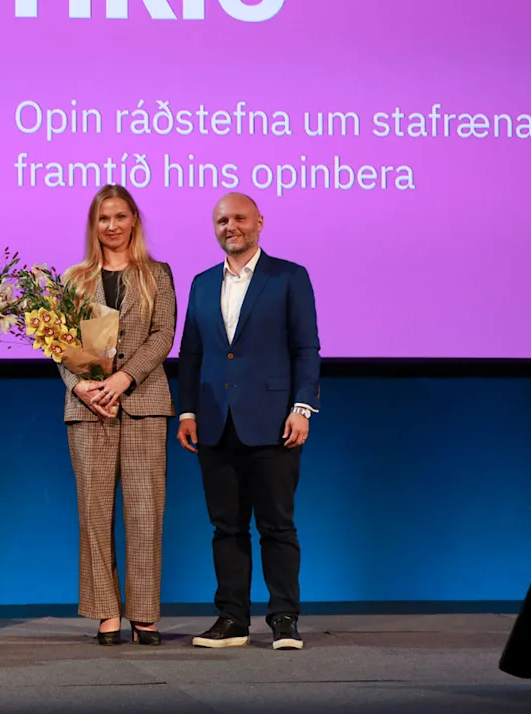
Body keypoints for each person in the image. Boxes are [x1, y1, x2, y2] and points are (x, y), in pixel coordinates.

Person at [177, 192, 320, 651]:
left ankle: (284, 619)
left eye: (239, 218)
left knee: (277, 526)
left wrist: (302, 408)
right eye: (222, 220)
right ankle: (232, 619)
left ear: (259, 222)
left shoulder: (289, 277)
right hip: (215, 423)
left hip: (274, 422)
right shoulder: (201, 283)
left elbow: (306, 348)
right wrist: (187, 411)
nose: (230, 227)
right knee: (226, 528)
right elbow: (192, 354)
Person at [58, 185, 176, 646]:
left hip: (143, 403)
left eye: (120, 216)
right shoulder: (74, 279)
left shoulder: (156, 274)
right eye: (103, 218)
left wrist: (124, 378)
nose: (112, 225)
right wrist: (80, 385)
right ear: (94, 224)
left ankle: (143, 613)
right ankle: (106, 611)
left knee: (146, 512)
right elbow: (58, 344)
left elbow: (163, 334)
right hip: (89, 408)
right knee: (94, 512)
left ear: (134, 221)